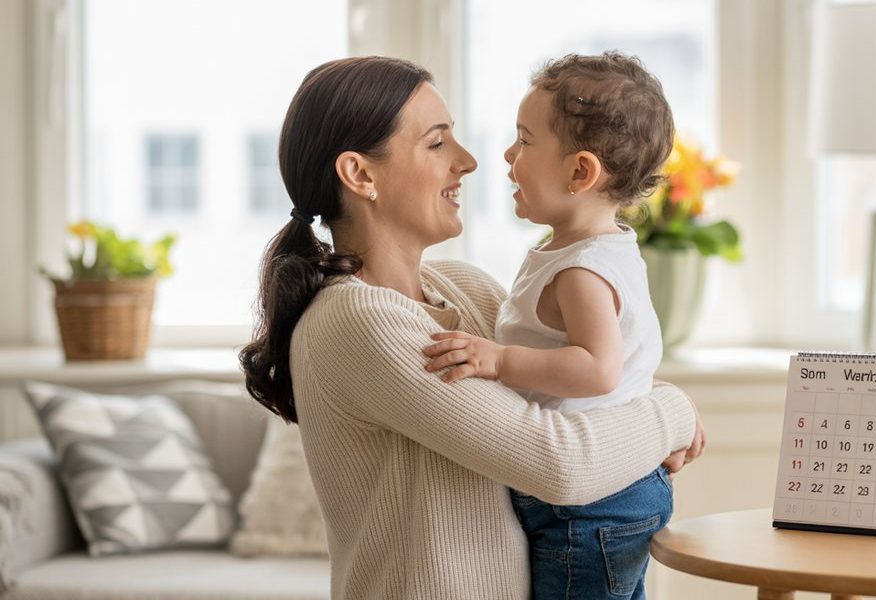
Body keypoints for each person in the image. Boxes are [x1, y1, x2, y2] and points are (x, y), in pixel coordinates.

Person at [237, 56, 704, 600]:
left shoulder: (468, 288)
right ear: (361, 175)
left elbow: (571, 387)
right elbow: (561, 464)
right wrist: (672, 412)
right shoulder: (357, 322)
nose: (469, 161)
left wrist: (653, 401)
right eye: (437, 143)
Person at [421, 51, 675, 600]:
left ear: (580, 172)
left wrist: (499, 359)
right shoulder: (598, 250)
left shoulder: (582, 271)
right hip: (611, 491)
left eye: (524, 140)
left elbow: (599, 369)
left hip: (590, 507)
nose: (507, 154)